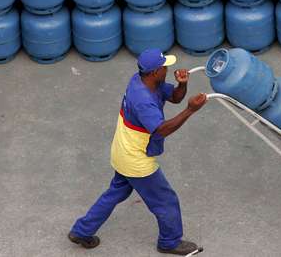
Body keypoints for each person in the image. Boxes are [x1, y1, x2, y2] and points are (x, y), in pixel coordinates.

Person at [68, 49, 207, 255]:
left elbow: (175, 98)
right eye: (164, 67)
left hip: (122, 151)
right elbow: (162, 130)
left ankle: (81, 230)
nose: (168, 69)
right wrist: (191, 110)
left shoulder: (143, 80)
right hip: (135, 159)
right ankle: (169, 242)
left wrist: (183, 84)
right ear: (154, 72)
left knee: (116, 192)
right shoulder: (143, 100)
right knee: (165, 200)